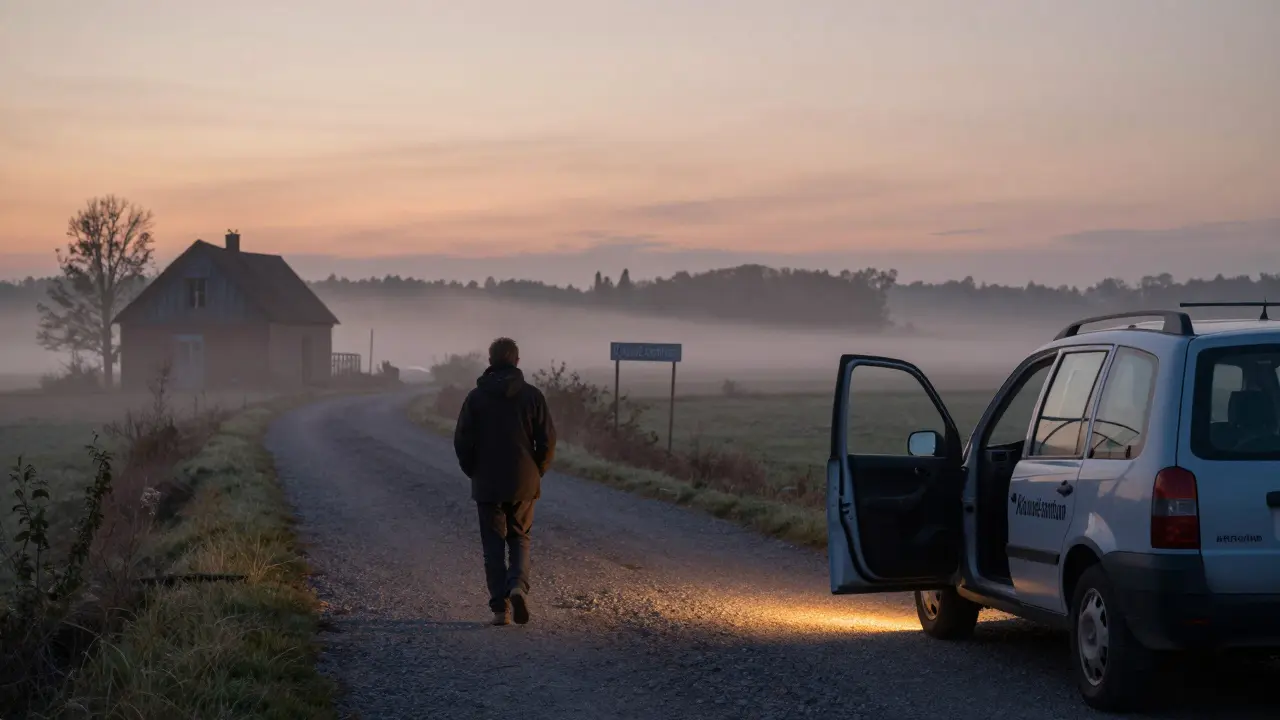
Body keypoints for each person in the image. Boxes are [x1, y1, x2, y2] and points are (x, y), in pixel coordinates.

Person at [453, 337, 556, 626]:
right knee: (520, 538)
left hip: (487, 481)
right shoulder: (533, 396)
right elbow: (547, 440)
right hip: (524, 479)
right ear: (517, 361)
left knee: (493, 544)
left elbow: (462, 440)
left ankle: (500, 610)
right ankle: (517, 587)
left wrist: (472, 469)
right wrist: (538, 470)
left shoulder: (476, 397)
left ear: (490, 361)